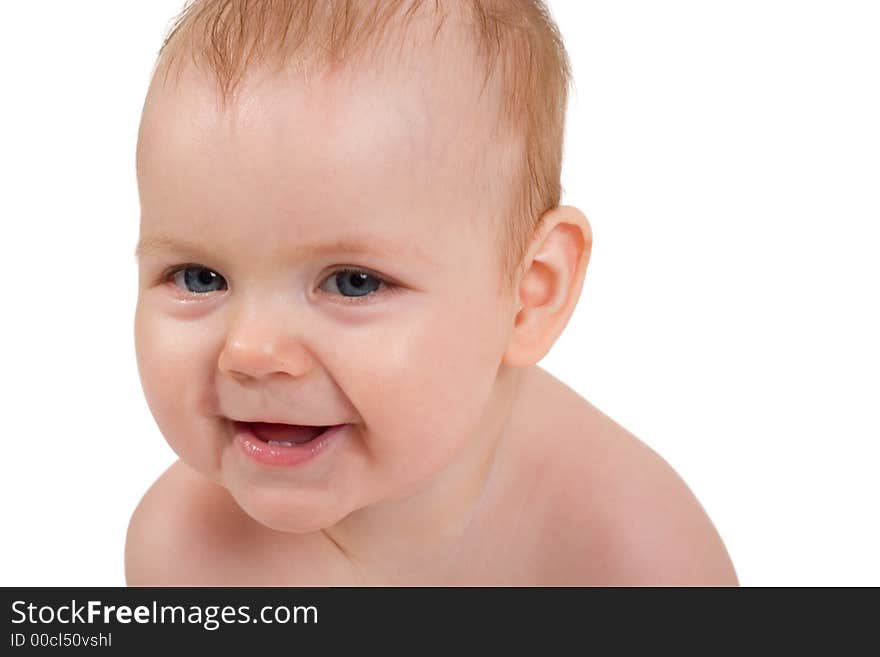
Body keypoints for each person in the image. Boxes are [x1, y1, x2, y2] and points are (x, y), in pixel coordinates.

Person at [126, 0, 738, 585]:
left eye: (352, 283)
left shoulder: (629, 554)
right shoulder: (183, 552)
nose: (251, 351)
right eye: (199, 278)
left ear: (529, 295)